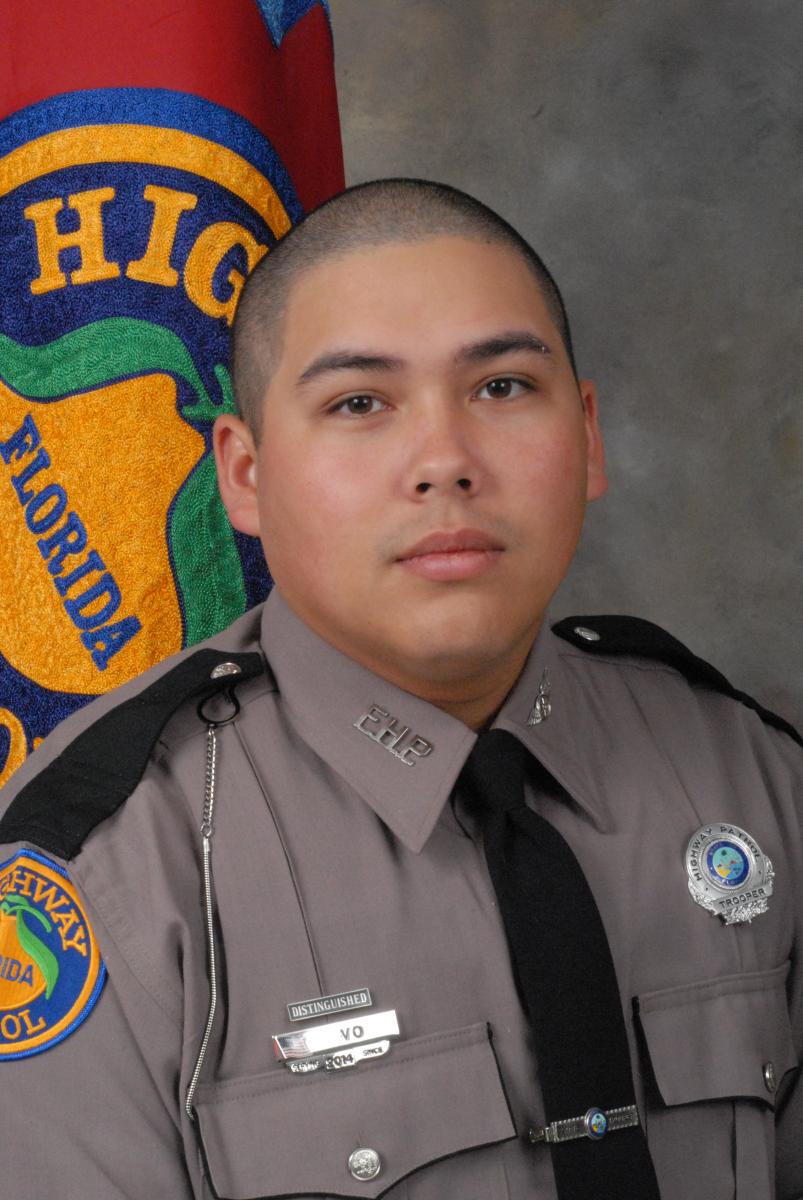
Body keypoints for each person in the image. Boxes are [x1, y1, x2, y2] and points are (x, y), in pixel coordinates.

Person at [0, 179, 800, 1200]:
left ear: (588, 436)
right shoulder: (101, 878)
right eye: (358, 404)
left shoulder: (746, 770)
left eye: (501, 387)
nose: (444, 462)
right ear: (244, 475)